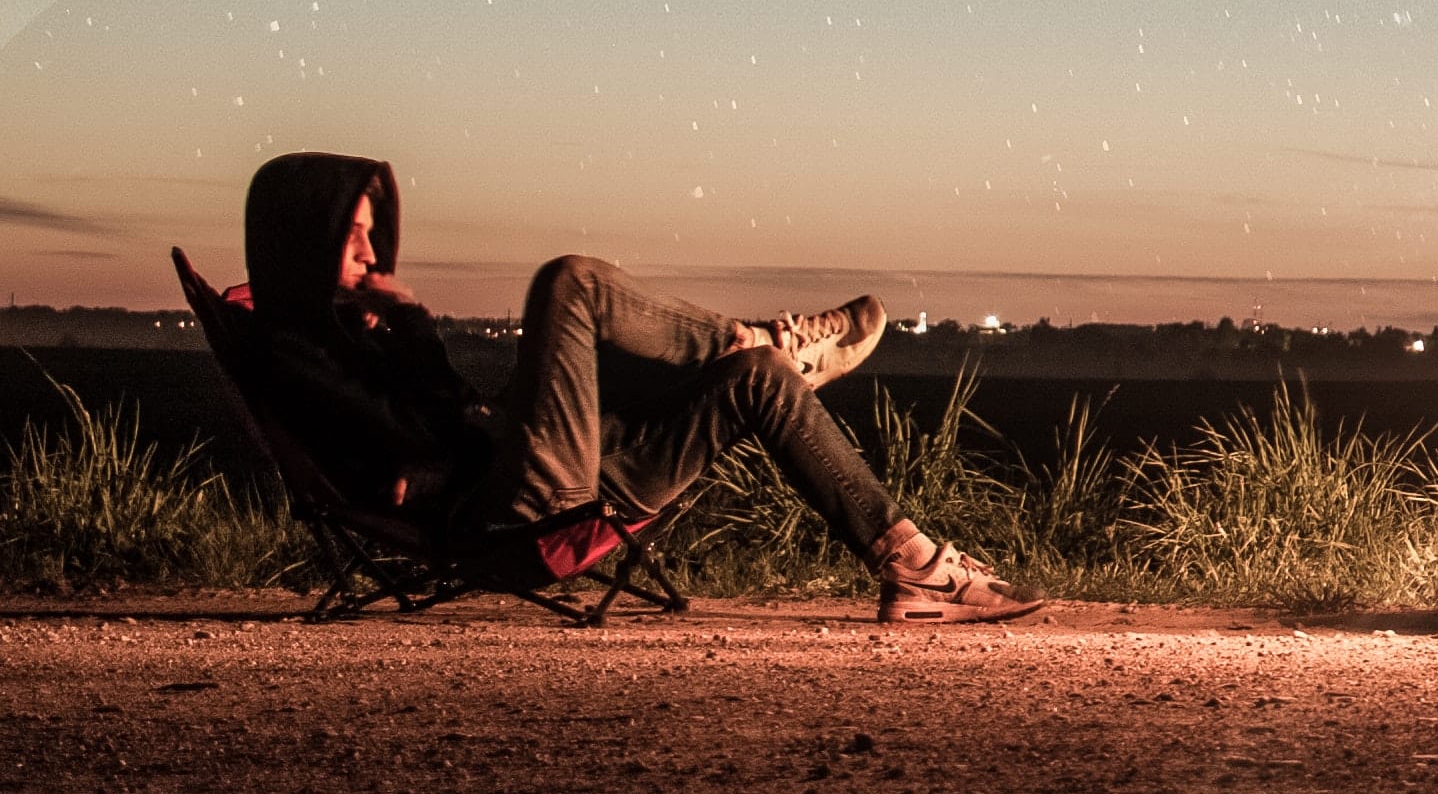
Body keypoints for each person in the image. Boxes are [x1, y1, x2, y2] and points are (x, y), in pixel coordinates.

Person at [227, 152, 1038, 625]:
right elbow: (391, 464)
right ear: (304, 239)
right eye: (353, 234)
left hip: (538, 470)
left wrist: (410, 333)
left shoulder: (346, 333)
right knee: (570, 283)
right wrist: (409, 364)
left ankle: (917, 567)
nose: (371, 252)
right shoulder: (288, 350)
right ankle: (769, 337)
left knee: (750, 383)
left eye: (373, 233)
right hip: (507, 508)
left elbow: (434, 412)